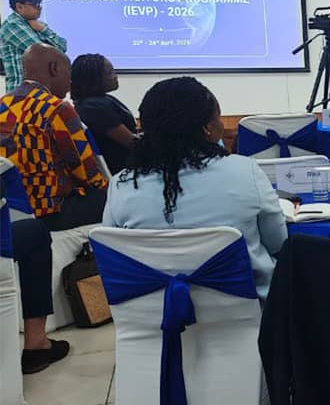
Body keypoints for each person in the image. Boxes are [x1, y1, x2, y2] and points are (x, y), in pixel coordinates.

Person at [102, 76, 288, 298]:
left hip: (153, 312)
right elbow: (277, 242)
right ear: (208, 128)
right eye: (218, 117)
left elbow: (111, 252)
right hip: (250, 309)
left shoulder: (121, 185)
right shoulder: (245, 171)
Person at [0, 44, 107, 373]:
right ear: (54, 70)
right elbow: (87, 170)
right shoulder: (57, 108)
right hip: (52, 211)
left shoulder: (3, 105)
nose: (70, 82)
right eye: (69, 73)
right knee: (122, 197)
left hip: (12, 213)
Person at [70, 53, 138, 175]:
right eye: (110, 72)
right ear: (94, 78)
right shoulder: (95, 107)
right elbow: (132, 143)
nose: (115, 76)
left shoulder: (98, 102)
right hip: (124, 171)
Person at [2, 0, 67, 92]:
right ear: (19, 7)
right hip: (21, 94)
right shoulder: (12, 25)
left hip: (39, 91)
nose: (39, 8)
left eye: (40, 4)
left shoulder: (38, 25)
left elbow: (63, 47)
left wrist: (44, 29)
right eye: (35, 4)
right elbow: (44, 55)